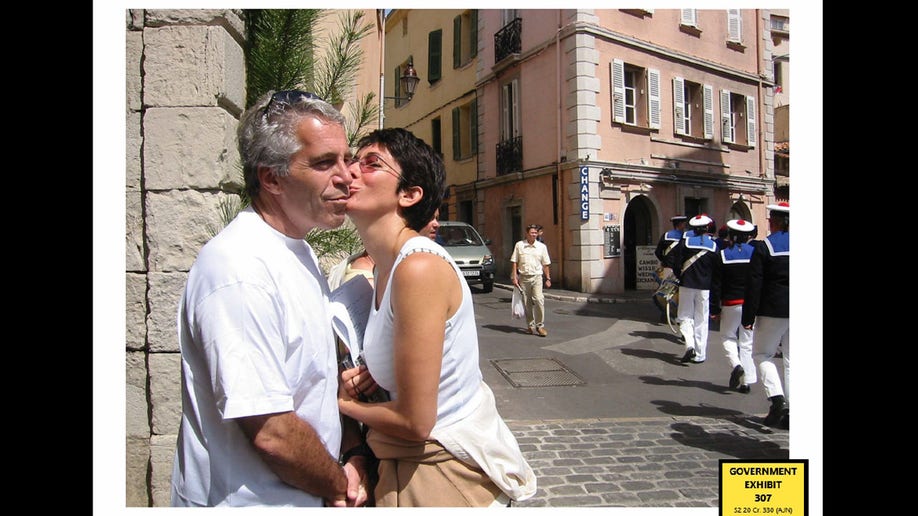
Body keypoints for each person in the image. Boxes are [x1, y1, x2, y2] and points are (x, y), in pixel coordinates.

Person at [170, 90, 371, 507]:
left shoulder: (297, 248)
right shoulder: (238, 269)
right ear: (271, 178)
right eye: (323, 163)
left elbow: (309, 384)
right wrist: (339, 484)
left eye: (344, 158)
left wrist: (351, 451)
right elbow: (271, 432)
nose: (346, 177)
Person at [338, 127, 536, 507]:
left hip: (442, 477)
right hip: (412, 467)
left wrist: (336, 402)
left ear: (410, 195)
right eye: (352, 160)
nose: (350, 171)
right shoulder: (384, 269)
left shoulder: (418, 269)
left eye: (370, 164)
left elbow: (416, 422)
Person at [742, 202, 790, 429]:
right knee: (793, 362)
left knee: (762, 354)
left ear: (776, 222)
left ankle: (777, 398)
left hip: (773, 309)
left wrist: (748, 317)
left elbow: (754, 284)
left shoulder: (765, 247)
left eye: (770, 220)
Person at [710, 219, 758, 393]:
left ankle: (736, 365)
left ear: (730, 235)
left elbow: (716, 286)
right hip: (750, 303)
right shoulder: (755, 253)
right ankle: (747, 382)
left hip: (730, 303)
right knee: (747, 342)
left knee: (728, 337)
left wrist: (714, 309)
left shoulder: (722, 255)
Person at [672, 214, 718, 364]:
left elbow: (676, 262)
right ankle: (700, 354)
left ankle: (689, 345)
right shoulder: (713, 245)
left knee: (684, 316)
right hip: (705, 288)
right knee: (702, 320)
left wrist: (680, 276)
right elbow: (717, 269)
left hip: (687, 284)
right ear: (706, 228)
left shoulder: (685, 242)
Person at [510, 224, 553, 337]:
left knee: (539, 300)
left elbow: (545, 264)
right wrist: (514, 277)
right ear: (527, 234)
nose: (534, 235)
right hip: (524, 278)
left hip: (537, 277)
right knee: (527, 302)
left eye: (535, 233)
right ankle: (530, 325)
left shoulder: (542, 247)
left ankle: (540, 326)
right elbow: (514, 262)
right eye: (531, 233)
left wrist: (548, 278)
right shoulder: (519, 245)